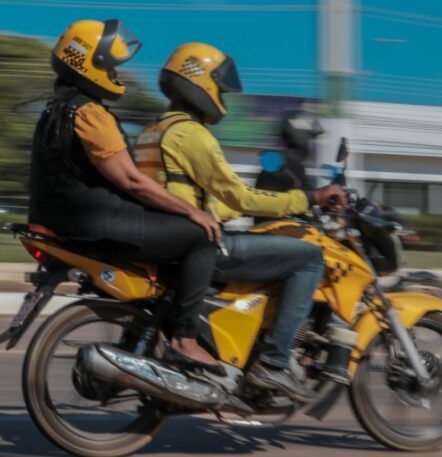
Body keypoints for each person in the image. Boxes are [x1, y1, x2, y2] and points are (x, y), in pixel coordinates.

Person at [134, 42, 347, 402]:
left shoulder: (153, 129)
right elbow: (239, 196)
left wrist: (243, 209)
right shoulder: (191, 134)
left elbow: (198, 197)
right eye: (219, 86)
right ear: (199, 82)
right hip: (193, 242)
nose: (222, 96)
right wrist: (312, 198)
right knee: (308, 257)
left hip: (166, 235)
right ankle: (275, 363)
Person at [28, 20, 224, 370]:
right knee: (199, 238)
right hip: (99, 224)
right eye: (112, 65)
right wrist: (193, 212)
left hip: (65, 220)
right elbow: (132, 182)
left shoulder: (52, 111)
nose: (117, 73)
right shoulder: (91, 114)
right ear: (90, 65)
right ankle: (185, 337)